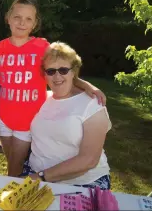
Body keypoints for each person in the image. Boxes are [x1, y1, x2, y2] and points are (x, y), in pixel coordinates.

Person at [0, 0, 107, 177]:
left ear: (35, 23)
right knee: (10, 159)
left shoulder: (42, 46)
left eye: (28, 19)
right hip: (4, 117)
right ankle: (13, 191)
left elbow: (62, 70)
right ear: (8, 18)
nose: (22, 22)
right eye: (17, 17)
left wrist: (87, 86)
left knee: (15, 164)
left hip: (27, 117)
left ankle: (9, 197)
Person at [21, 41, 112, 190]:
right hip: (35, 172)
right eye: (50, 71)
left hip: (83, 181)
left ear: (73, 72)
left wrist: (41, 176)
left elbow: (89, 160)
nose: (57, 76)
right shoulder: (41, 99)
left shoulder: (92, 104)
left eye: (63, 70)